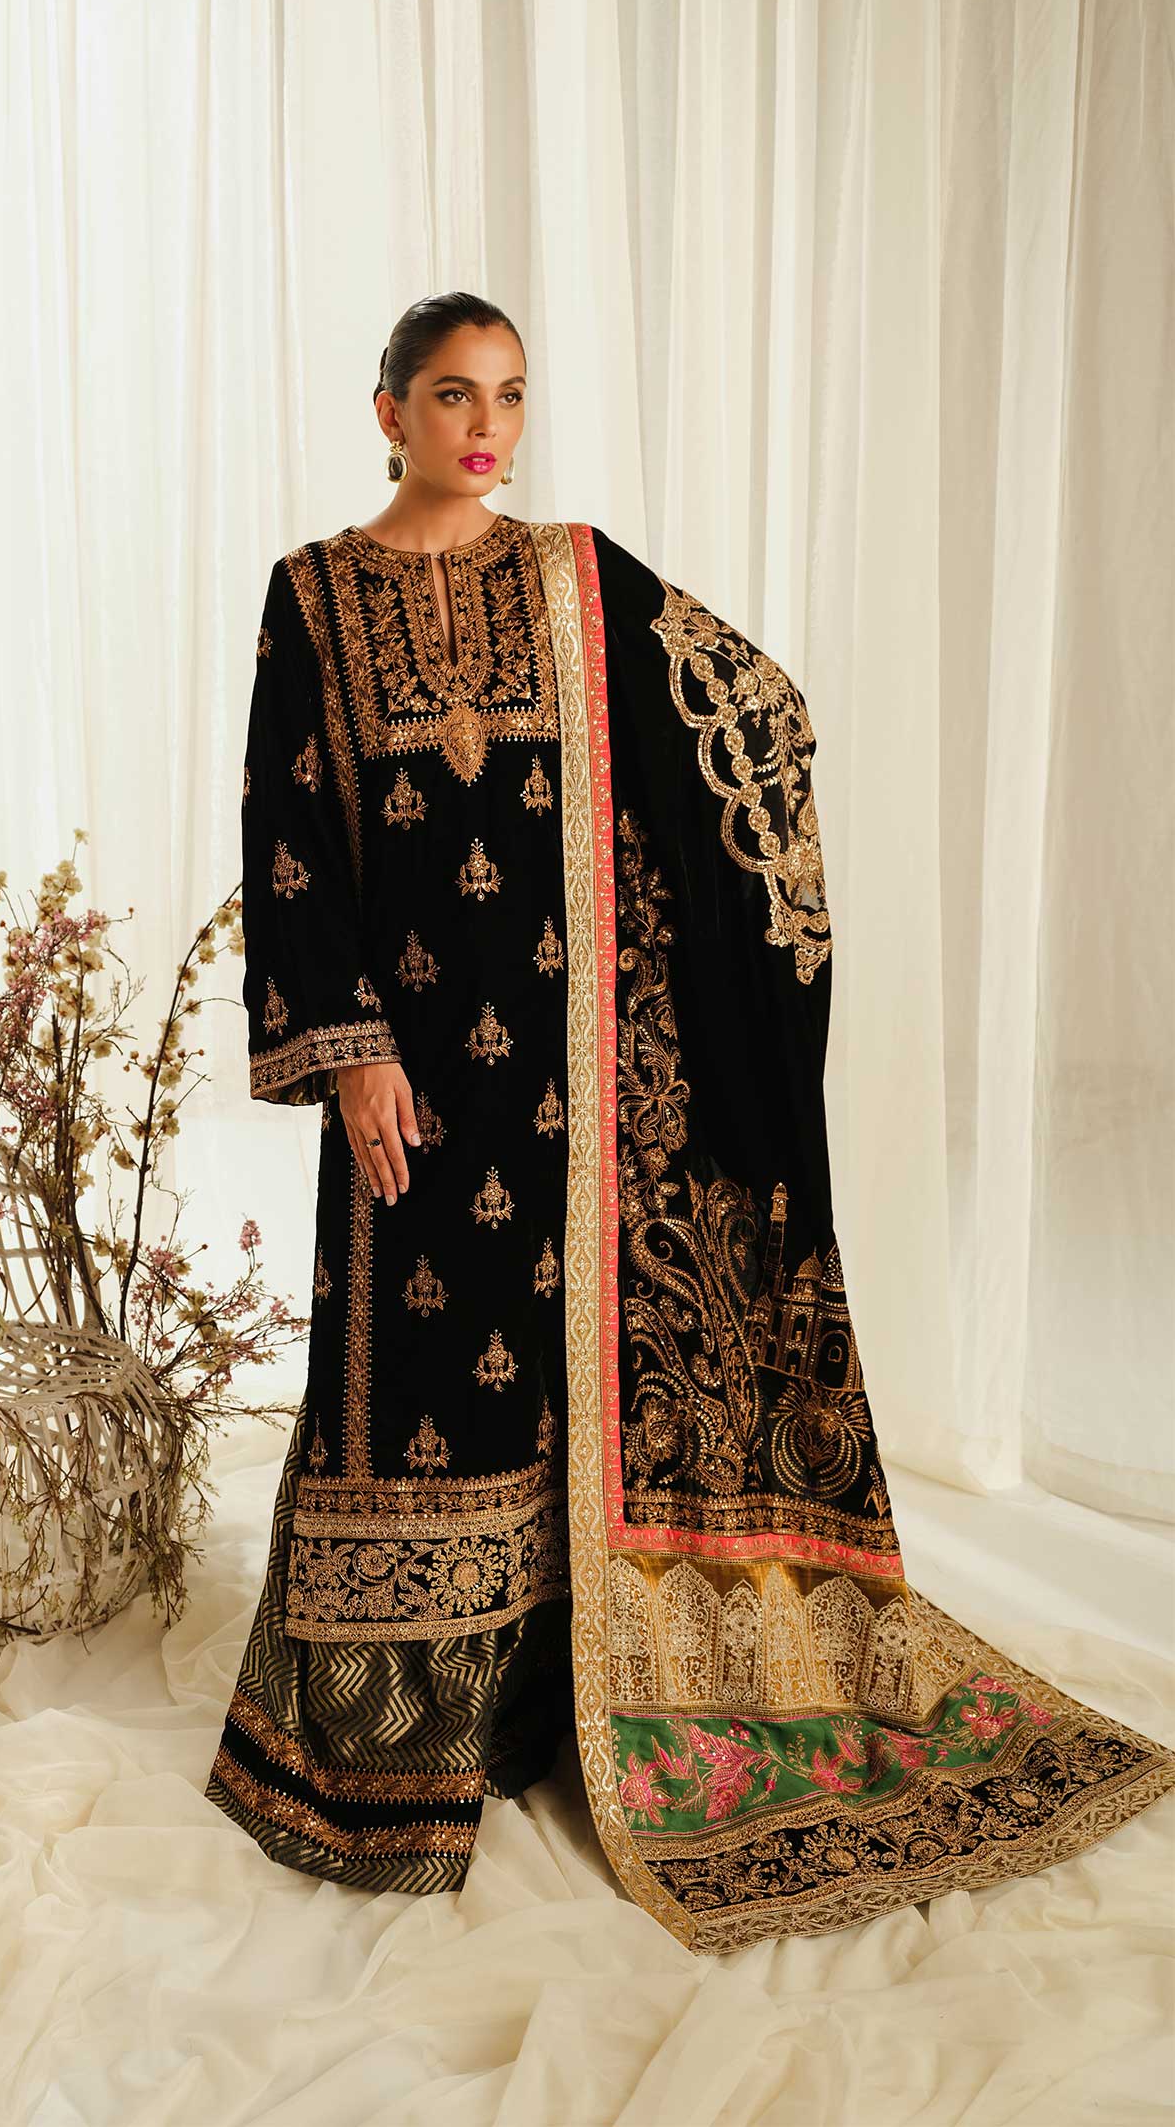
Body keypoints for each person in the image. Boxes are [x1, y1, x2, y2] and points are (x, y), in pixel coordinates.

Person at [204, 291, 1175, 1954]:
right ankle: (394, 1744)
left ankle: (541, 1702)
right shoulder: (313, 597)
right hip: (411, 1070)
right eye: (455, 395)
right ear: (389, 412)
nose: (488, 429)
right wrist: (351, 1050)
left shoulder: (577, 577)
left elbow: (753, 717)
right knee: (409, 1375)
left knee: (553, 1381)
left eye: (511, 396)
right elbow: (289, 837)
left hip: (576, 1079)